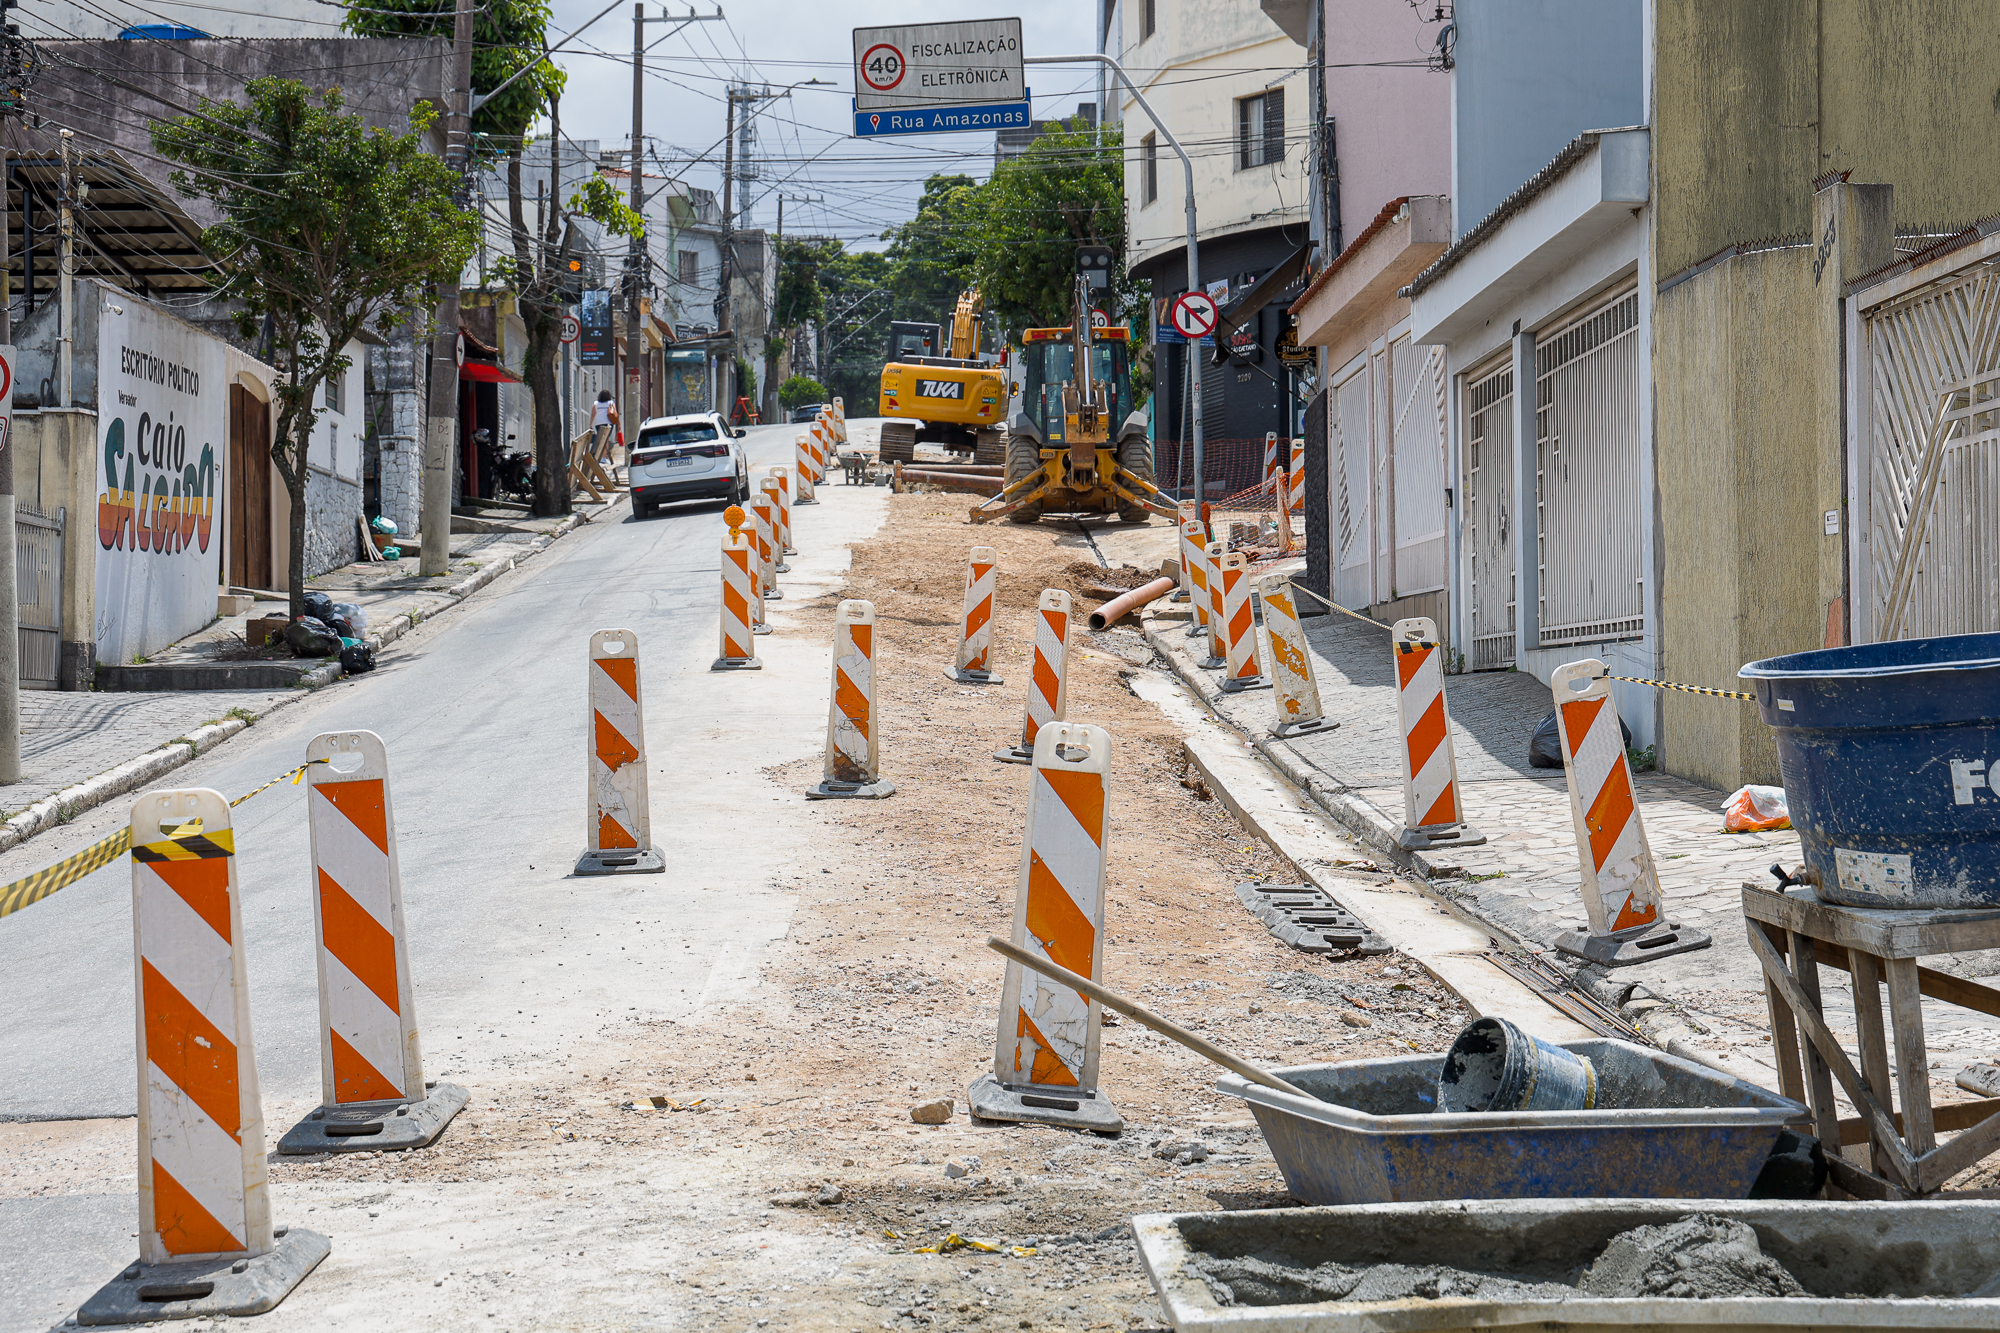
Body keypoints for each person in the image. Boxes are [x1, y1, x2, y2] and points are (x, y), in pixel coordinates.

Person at [590, 390, 618, 458]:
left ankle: (599, 456)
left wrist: (590, 424)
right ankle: (603, 457)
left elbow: (593, 414)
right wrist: (618, 424)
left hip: (598, 423)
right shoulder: (611, 403)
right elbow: (615, 413)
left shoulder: (596, 403)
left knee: (600, 439)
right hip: (609, 423)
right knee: (606, 440)